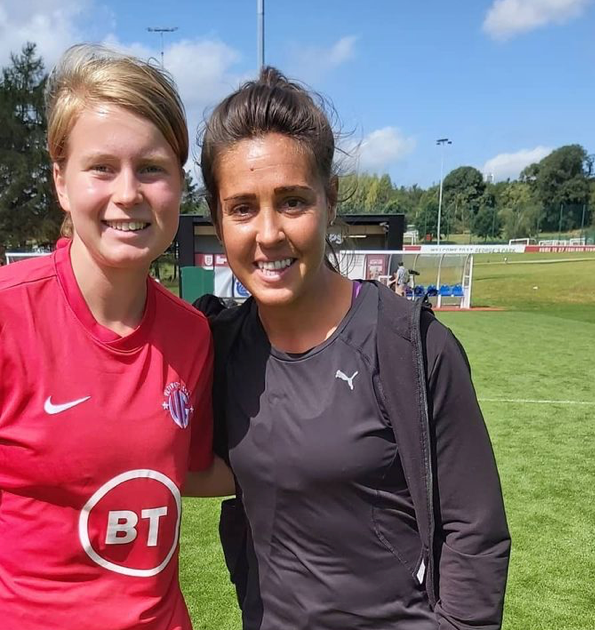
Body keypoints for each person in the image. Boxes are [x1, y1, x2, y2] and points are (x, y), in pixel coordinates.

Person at [0, 44, 219, 630]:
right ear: (61, 184)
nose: (128, 193)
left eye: (152, 168)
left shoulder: (192, 335)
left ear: (177, 184)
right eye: (102, 167)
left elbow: (191, 470)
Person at [195, 68, 510, 629]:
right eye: (242, 207)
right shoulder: (218, 349)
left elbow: (475, 533)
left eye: (292, 201)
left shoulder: (410, 346)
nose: (268, 233)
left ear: (330, 199)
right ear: (218, 220)